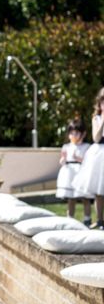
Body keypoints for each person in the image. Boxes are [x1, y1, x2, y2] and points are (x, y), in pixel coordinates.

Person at [73, 87, 104, 229]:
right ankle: (99, 220)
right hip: (99, 154)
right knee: (99, 190)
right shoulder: (96, 118)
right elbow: (96, 137)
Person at [56, 117, 92, 221]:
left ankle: (87, 219)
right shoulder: (66, 146)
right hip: (69, 174)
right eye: (71, 133)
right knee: (71, 198)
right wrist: (63, 160)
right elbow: (62, 160)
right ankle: (70, 219)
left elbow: (88, 161)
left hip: (81, 173)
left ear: (83, 134)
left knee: (85, 198)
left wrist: (79, 159)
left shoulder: (87, 146)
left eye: (76, 133)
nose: (73, 136)